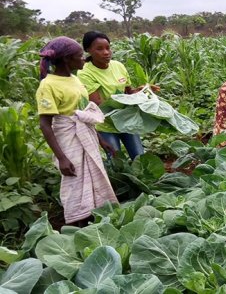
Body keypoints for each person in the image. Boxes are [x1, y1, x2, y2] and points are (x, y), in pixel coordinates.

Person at [36, 36, 118, 226]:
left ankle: (92, 217)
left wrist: (100, 140)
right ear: (66, 59)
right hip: (68, 138)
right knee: (75, 181)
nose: (84, 59)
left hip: (85, 134)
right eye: (80, 56)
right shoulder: (48, 85)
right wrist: (62, 157)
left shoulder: (75, 79)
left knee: (93, 176)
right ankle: (75, 222)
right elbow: (45, 125)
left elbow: (82, 115)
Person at [77, 31, 149, 160]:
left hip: (126, 121)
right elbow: (99, 104)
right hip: (105, 123)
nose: (106, 52)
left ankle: (141, 180)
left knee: (139, 157)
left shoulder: (118, 66)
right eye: (99, 49)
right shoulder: (85, 73)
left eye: (108, 48)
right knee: (116, 161)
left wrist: (143, 90)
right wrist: (130, 99)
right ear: (88, 50)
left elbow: (128, 92)